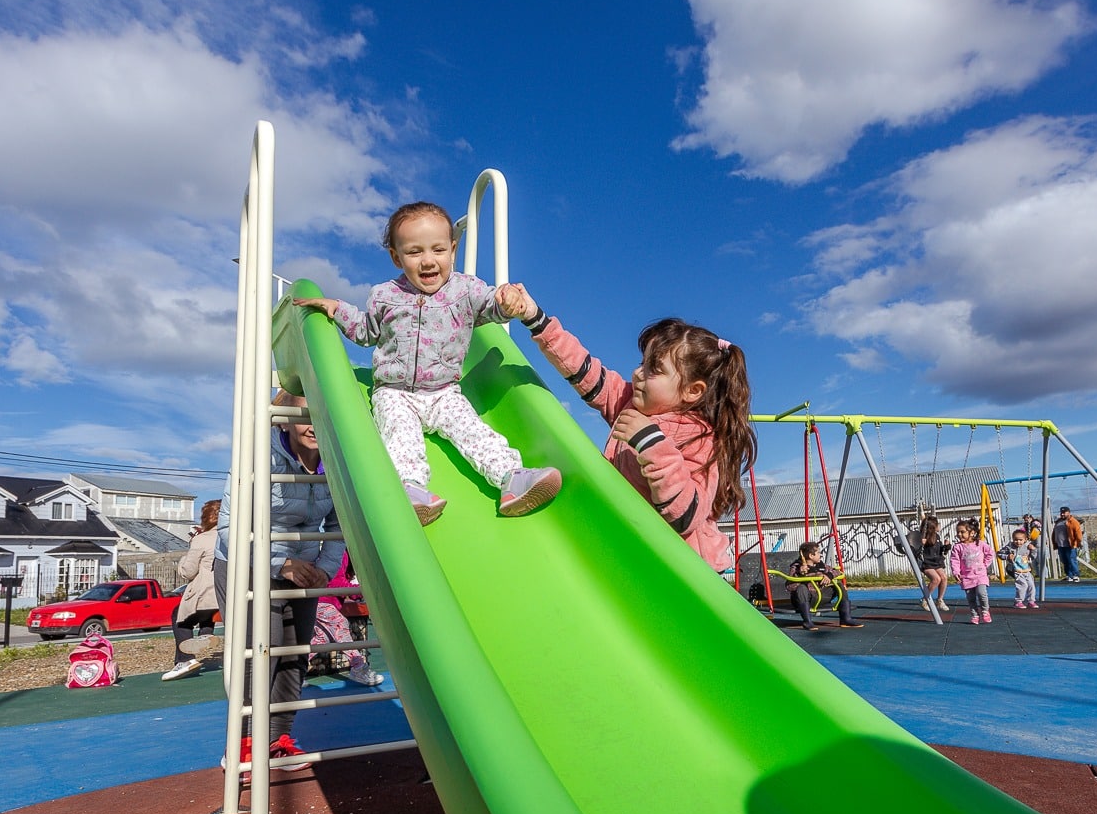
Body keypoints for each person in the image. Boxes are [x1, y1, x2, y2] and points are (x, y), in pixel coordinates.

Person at [294, 201, 560, 526]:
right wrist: (338, 309)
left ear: (452, 249)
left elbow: (491, 305)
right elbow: (367, 331)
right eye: (415, 252)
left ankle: (511, 478)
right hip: (395, 392)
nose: (428, 261)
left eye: (437, 249)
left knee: (474, 431)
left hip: (445, 391)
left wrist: (507, 300)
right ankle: (412, 491)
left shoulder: (466, 290)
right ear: (396, 257)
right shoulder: (385, 295)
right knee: (400, 438)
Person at [499, 284, 756, 573]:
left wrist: (651, 444)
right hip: (637, 552)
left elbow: (686, 516)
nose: (638, 373)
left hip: (689, 573)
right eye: (641, 362)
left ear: (692, 391)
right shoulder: (629, 405)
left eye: (654, 370)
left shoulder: (700, 437)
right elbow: (585, 370)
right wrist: (536, 318)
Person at [214, 390, 345, 782]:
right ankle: (242, 744)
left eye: (318, 416)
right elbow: (229, 528)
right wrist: (280, 563)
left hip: (302, 565)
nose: (311, 425)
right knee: (260, 651)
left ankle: (277, 739)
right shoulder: (257, 457)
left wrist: (322, 567)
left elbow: (340, 525)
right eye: (301, 416)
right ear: (283, 420)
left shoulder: (336, 462)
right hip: (248, 561)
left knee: (294, 652)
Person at [162, 498, 223, 681]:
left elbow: (188, 572)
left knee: (179, 617)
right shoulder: (233, 537)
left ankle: (185, 660)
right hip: (224, 593)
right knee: (207, 611)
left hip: (204, 591)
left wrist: (184, 556)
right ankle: (205, 633)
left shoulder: (201, 539)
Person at [309, 551, 384, 685]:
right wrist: (360, 591)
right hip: (322, 600)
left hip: (319, 600)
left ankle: (291, 672)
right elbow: (335, 582)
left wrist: (357, 593)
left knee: (321, 639)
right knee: (340, 624)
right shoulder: (341, 554)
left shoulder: (346, 556)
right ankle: (358, 667)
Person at [787, 541, 863, 629]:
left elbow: (837, 571)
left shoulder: (821, 565)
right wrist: (800, 574)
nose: (821, 555)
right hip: (806, 599)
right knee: (801, 588)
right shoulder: (796, 567)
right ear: (811, 556)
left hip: (820, 596)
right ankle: (807, 621)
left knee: (838, 584)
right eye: (818, 553)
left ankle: (845, 618)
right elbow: (789, 586)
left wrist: (829, 576)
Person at [949, 519, 996, 624]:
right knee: (971, 598)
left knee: (981, 593)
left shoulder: (980, 544)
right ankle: (975, 614)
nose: (959, 534)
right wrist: (956, 572)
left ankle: (985, 611)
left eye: (962, 532)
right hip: (967, 576)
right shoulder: (958, 547)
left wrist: (985, 564)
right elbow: (954, 560)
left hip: (980, 575)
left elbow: (990, 553)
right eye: (958, 532)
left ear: (972, 533)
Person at [909, 515, 950, 613]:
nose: (939, 525)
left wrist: (947, 546)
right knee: (936, 579)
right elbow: (916, 553)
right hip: (926, 563)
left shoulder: (938, 537)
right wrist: (922, 545)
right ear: (932, 527)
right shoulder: (922, 538)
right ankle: (924, 600)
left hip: (936, 563)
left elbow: (941, 551)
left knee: (944, 577)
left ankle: (940, 600)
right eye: (937, 524)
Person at [1005, 528, 1039, 609]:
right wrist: (1007, 556)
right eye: (1016, 540)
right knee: (1022, 585)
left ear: (1025, 540)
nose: (1018, 542)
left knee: (1031, 586)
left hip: (1026, 570)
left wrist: (1033, 549)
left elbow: (1033, 557)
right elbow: (1000, 553)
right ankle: (1018, 601)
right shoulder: (1010, 547)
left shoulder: (1027, 546)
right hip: (1017, 570)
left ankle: (1031, 601)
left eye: (1020, 540)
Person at [1052, 506, 1083, 582]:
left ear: (1068, 513)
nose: (1062, 514)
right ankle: (1069, 575)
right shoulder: (1058, 522)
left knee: (1072, 560)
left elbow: (1078, 533)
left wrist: (1078, 542)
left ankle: (1076, 575)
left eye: (1064, 513)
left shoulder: (1073, 522)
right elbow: (1054, 533)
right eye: (1061, 513)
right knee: (1064, 560)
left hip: (1070, 545)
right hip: (1060, 545)